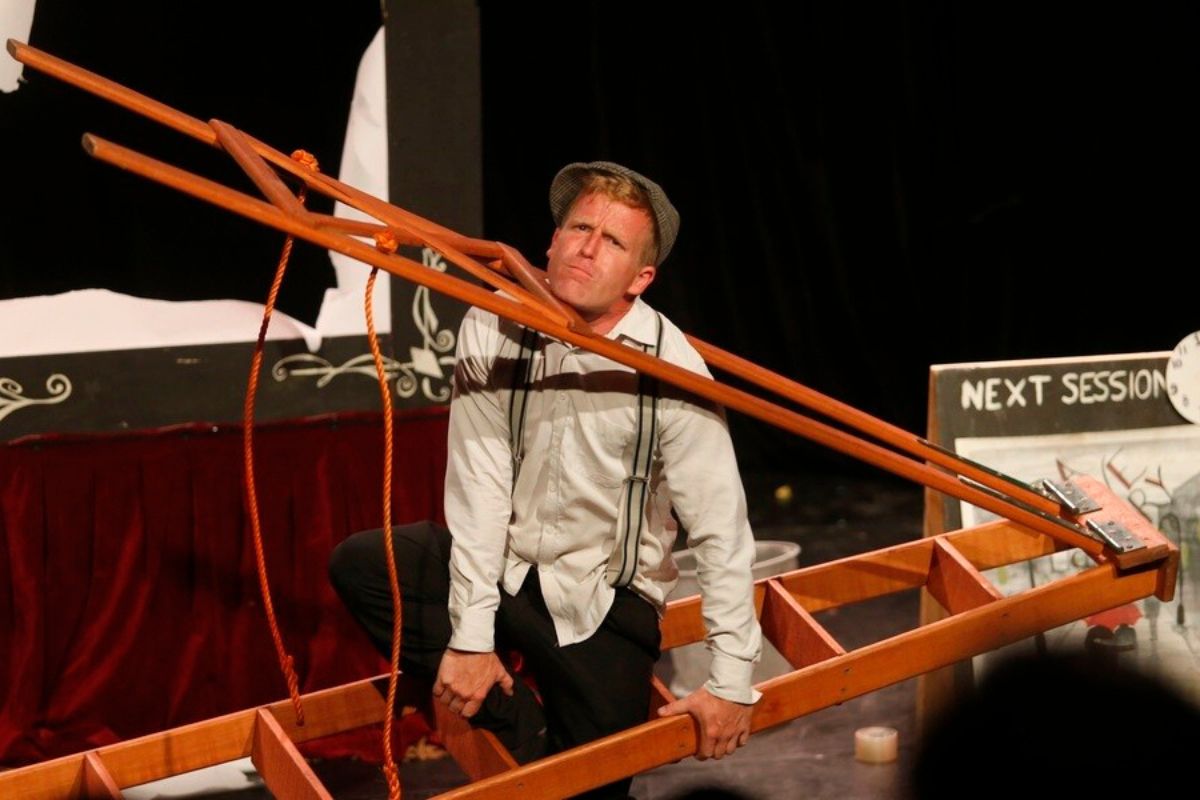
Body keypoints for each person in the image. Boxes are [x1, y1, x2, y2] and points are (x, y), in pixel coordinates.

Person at [330, 161, 762, 798]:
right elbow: (478, 489)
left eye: (612, 241)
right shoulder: (494, 322)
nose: (587, 247)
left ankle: (547, 754)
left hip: (604, 599)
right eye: (579, 227)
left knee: (595, 784)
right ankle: (512, 719)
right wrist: (471, 641)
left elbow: (721, 530)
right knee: (367, 564)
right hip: (505, 570)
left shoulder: (676, 369)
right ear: (552, 241)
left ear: (640, 279)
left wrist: (731, 680)